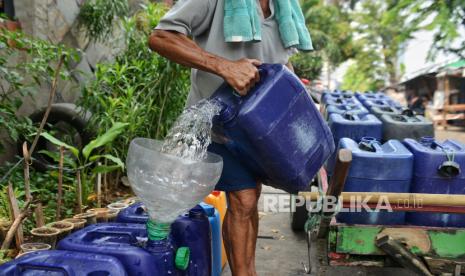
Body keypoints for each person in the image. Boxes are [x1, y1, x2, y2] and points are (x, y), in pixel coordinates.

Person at [149, 0, 312, 274]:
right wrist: (225, 66)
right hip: (220, 121)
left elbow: (283, 63)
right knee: (244, 198)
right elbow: (161, 37)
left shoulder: (284, 8)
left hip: (262, 131)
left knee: (250, 199)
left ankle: (248, 270)